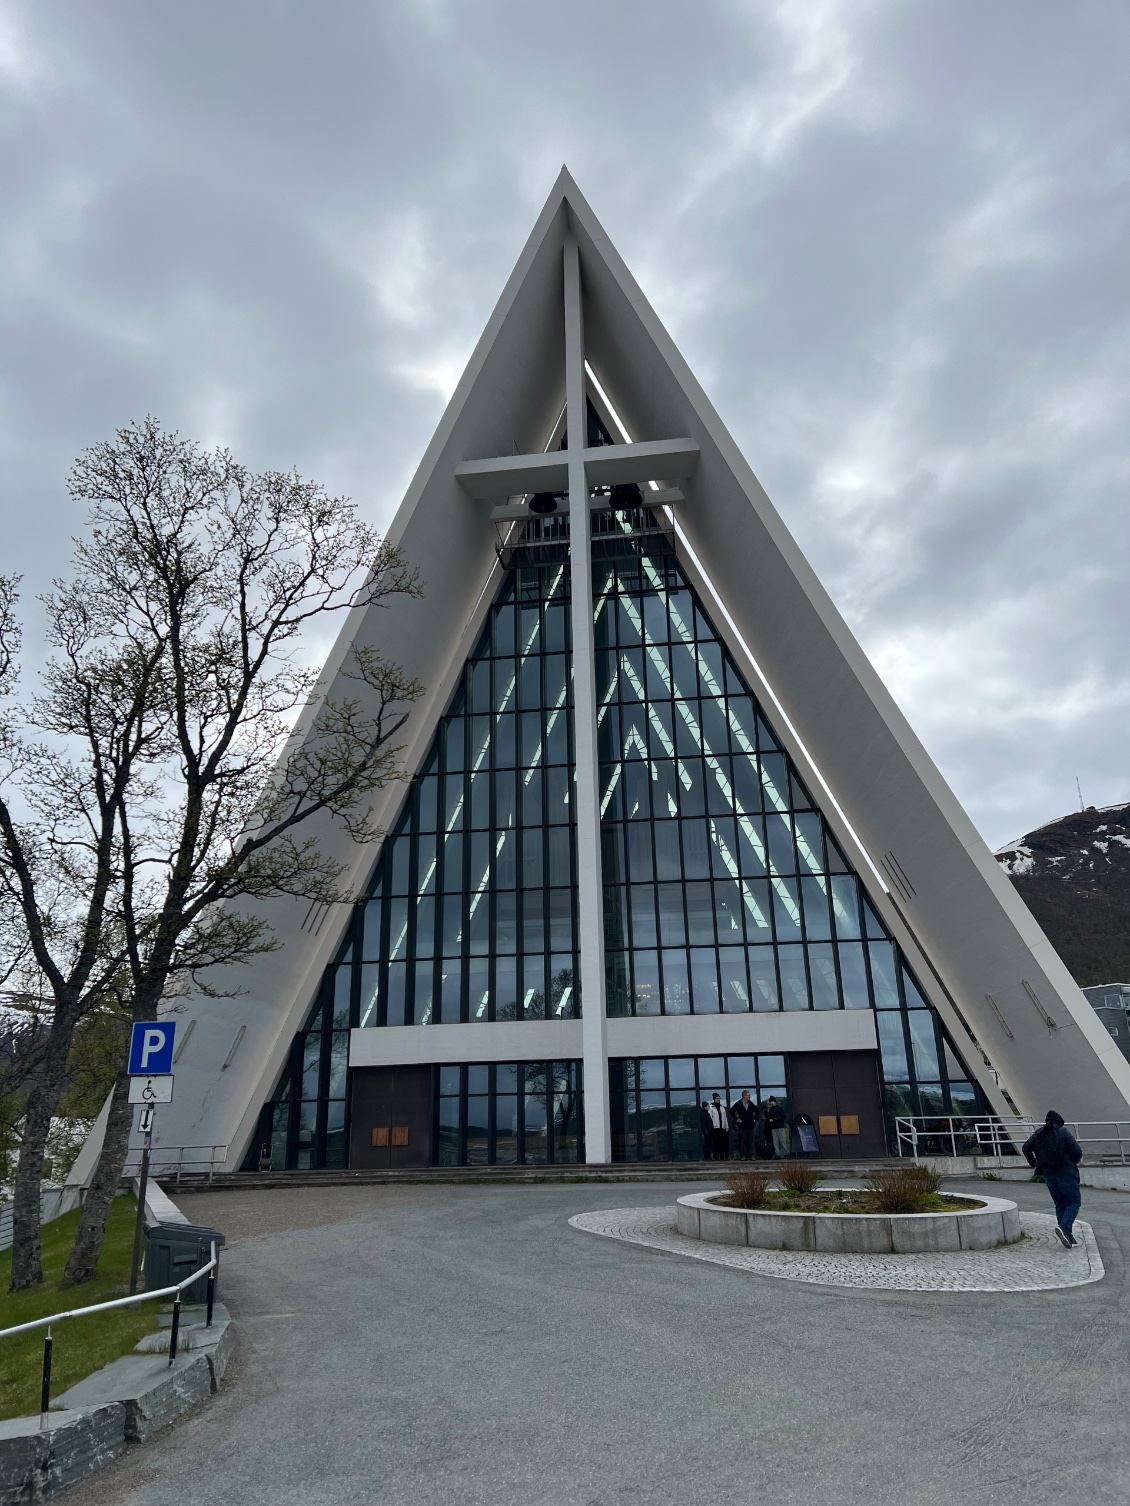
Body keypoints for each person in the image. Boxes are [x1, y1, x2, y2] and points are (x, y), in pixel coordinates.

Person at [1023, 1110, 1083, 1247]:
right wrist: (1072, 1161)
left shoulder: (1039, 1134)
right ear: (1059, 1122)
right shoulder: (1063, 1132)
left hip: (1048, 1174)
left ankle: (1068, 1236)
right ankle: (1065, 1227)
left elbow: (1026, 1148)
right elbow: (1077, 1151)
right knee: (1074, 1202)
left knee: (1060, 1203)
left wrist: (1034, 1163)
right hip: (1066, 1173)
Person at [731, 1090, 757, 1160]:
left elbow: (757, 1112)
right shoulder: (739, 1104)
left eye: (749, 1095)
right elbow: (731, 1111)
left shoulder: (751, 1104)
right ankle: (743, 1155)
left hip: (750, 1125)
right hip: (742, 1125)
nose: (749, 1097)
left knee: (751, 1140)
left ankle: (752, 1155)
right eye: (748, 1095)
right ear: (744, 1096)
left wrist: (755, 1119)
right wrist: (736, 1119)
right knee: (743, 1141)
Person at [707, 1093, 730, 1161]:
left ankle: (722, 1156)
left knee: (722, 1143)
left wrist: (726, 1126)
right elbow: (710, 1118)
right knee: (715, 1143)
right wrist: (711, 1127)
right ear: (714, 1099)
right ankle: (716, 1156)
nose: (718, 1099)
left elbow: (725, 1117)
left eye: (719, 1098)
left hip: (722, 1128)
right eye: (717, 1098)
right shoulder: (711, 1107)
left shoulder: (722, 1107)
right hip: (715, 1127)